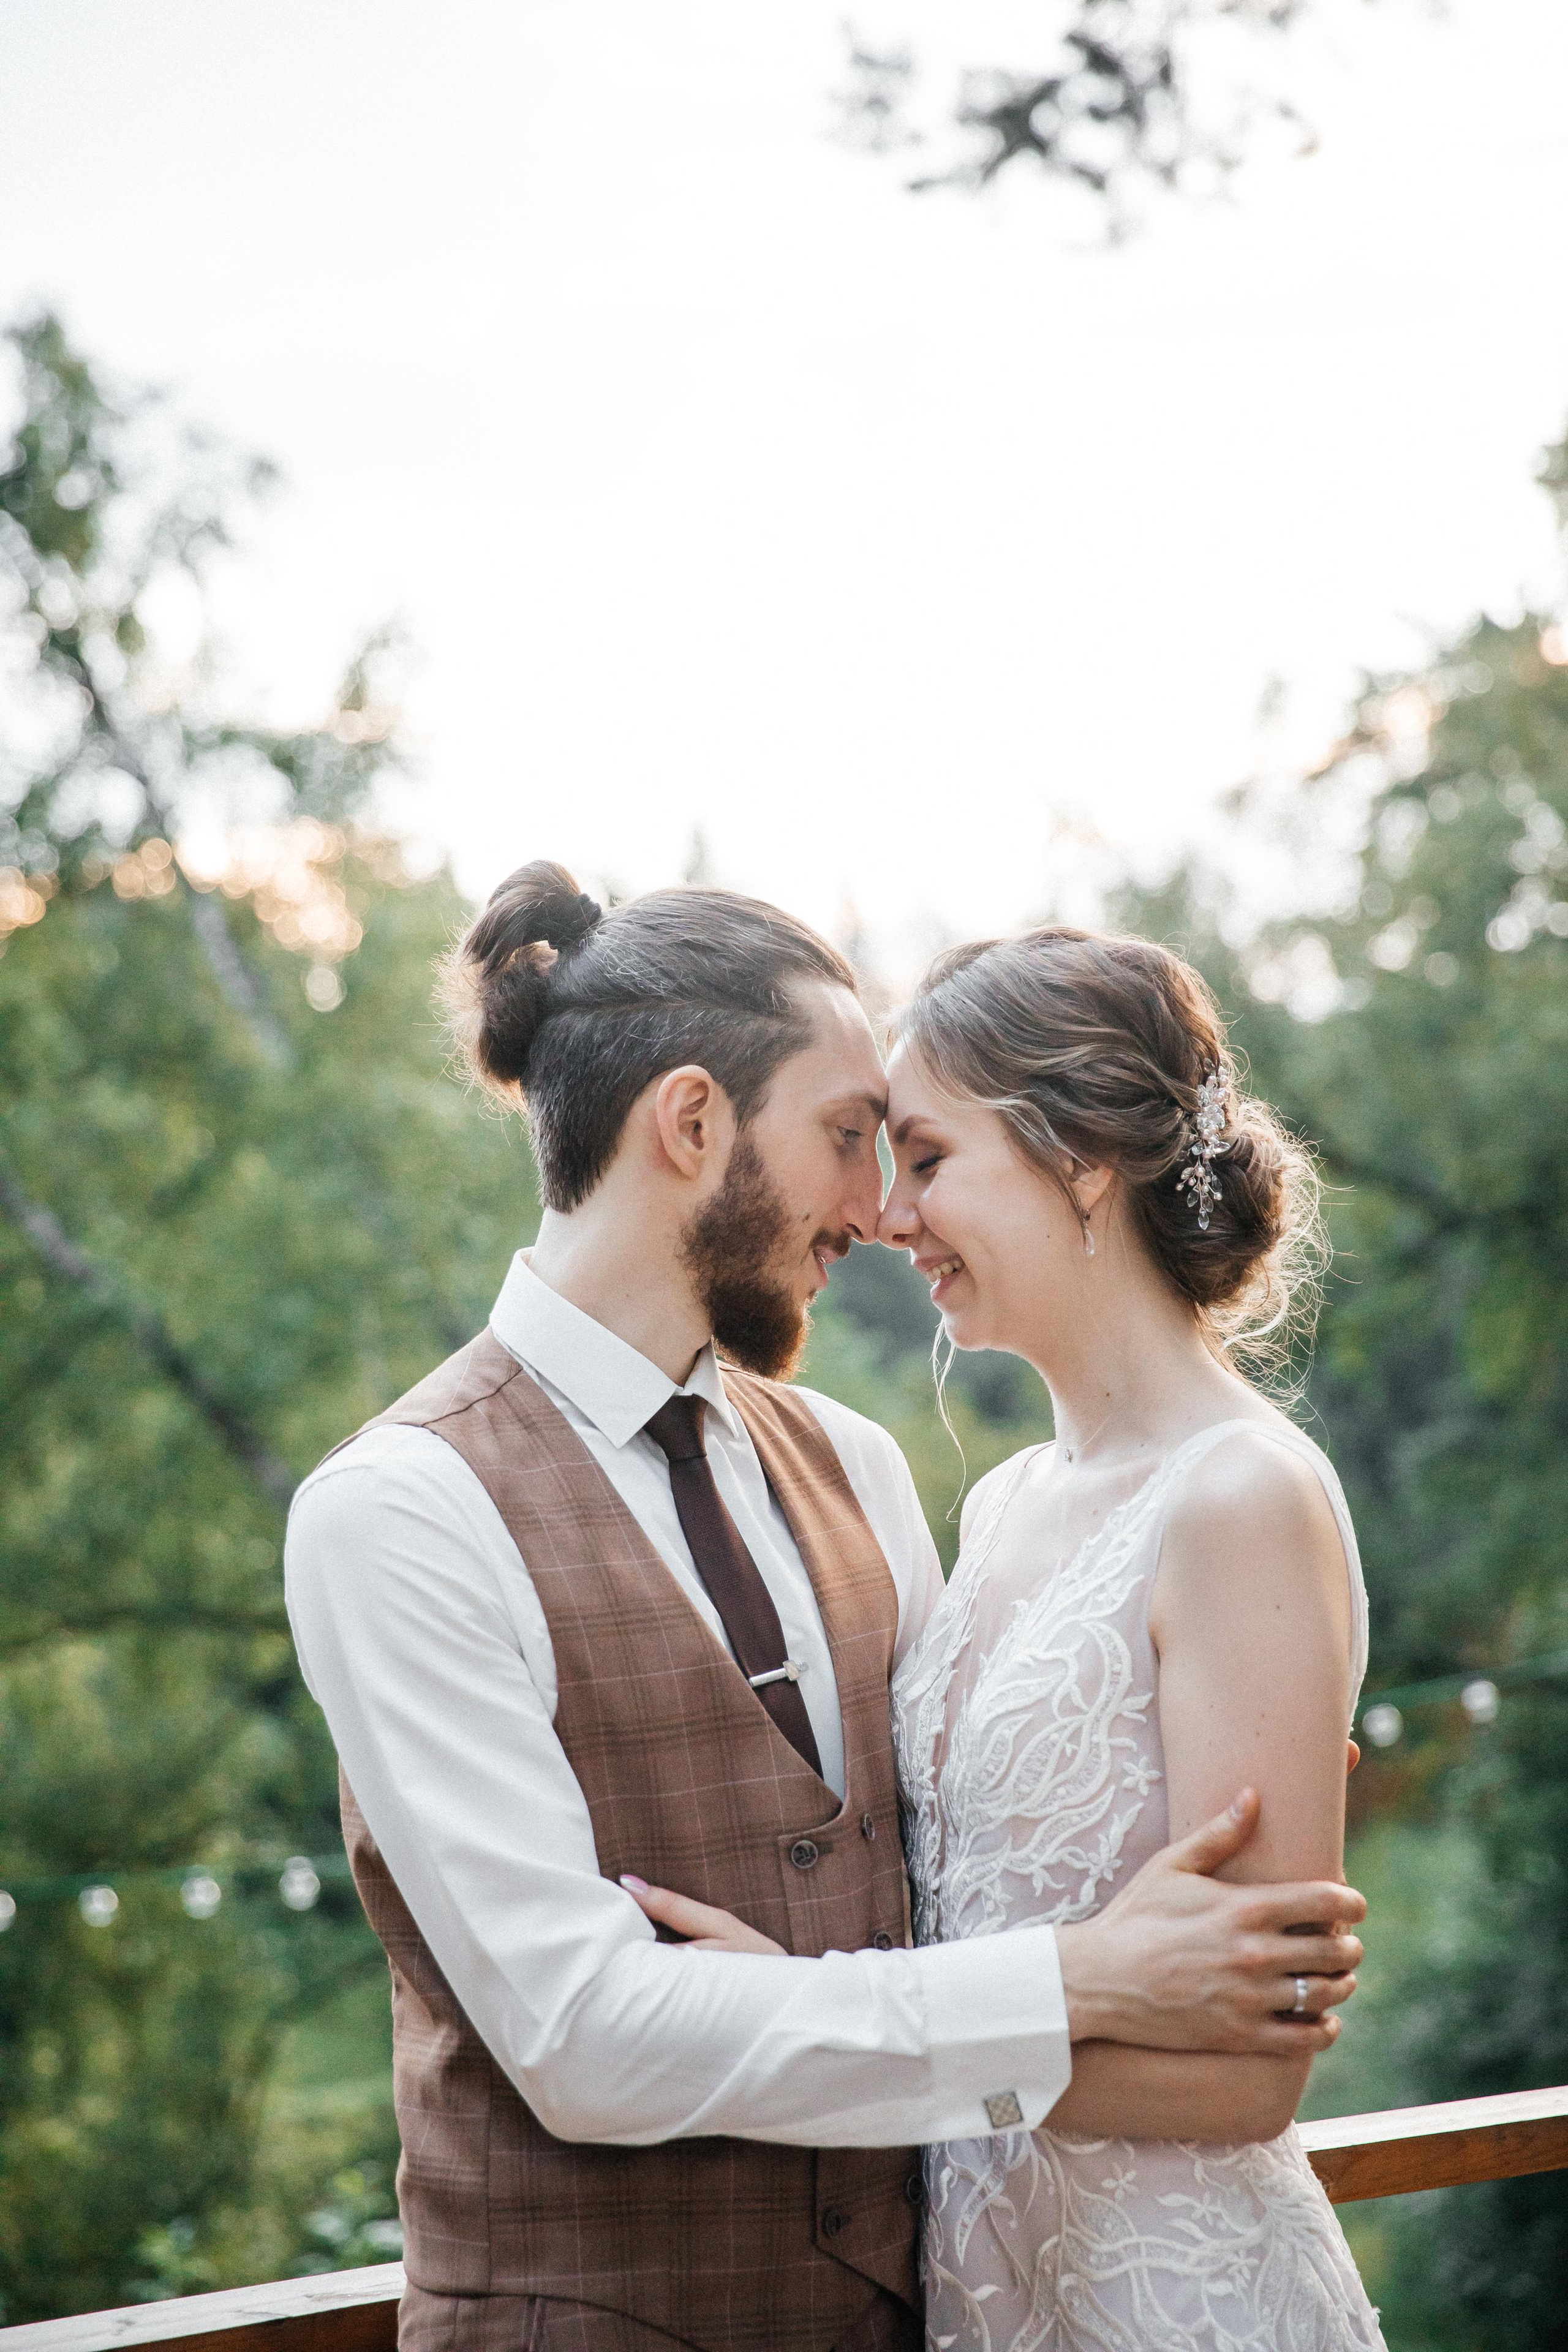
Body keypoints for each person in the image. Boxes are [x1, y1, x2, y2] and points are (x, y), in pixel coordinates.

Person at [284, 868, 1365, 2352]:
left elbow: (942, 1881)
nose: (875, 1209)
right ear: (690, 1125)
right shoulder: (397, 1512)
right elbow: (584, 2042)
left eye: (911, 1152)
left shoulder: (858, 1470)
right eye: (851, 1140)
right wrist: (1081, 1978)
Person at [635, 924, 1384, 2350]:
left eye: (925, 1158)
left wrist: (814, 2038)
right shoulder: (997, 1508)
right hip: (983, 2295)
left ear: (1080, 1158)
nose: (885, 1211)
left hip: (1176, 2299)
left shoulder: (1242, 1498)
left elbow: (1245, 2083)